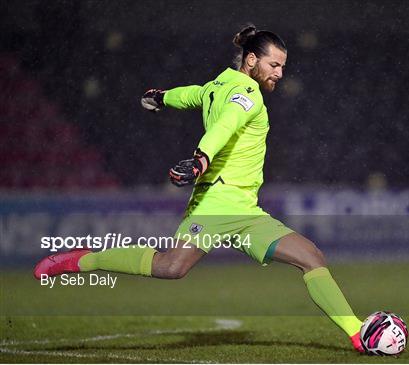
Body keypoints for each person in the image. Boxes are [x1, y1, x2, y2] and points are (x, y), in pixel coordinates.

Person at [33, 24, 366, 353]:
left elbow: (190, 94)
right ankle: (84, 261)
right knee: (171, 267)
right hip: (216, 205)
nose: (279, 73)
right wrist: (201, 159)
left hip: (246, 212)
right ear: (251, 61)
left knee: (311, 257)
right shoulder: (247, 94)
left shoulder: (215, 87)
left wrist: (161, 98)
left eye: (282, 66)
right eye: (274, 65)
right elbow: (225, 125)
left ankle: (358, 335)